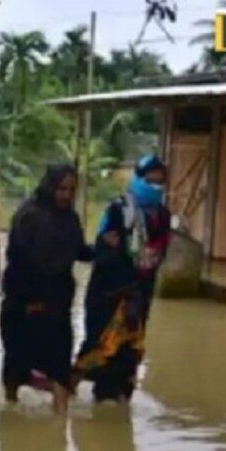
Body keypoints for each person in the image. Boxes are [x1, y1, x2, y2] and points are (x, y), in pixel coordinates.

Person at [73, 155, 172, 404]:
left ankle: (120, 407)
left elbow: (157, 257)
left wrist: (139, 295)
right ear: (138, 180)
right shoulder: (118, 210)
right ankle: (72, 391)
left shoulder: (162, 216)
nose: (156, 188)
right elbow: (102, 251)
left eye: (161, 183)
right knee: (99, 349)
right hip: (108, 295)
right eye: (150, 182)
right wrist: (111, 250)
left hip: (139, 297)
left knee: (129, 354)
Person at [0, 164, 94, 415]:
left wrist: (104, 249)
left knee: (60, 364)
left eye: (71, 190)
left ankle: (60, 422)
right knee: (16, 366)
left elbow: (79, 251)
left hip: (58, 302)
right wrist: (30, 300)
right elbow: (17, 259)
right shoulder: (28, 216)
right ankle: (9, 411)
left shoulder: (71, 219)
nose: (66, 195)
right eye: (61, 189)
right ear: (50, 187)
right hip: (25, 303)